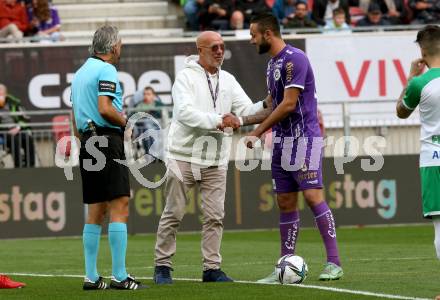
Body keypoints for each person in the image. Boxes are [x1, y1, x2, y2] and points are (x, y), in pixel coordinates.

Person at [153, 31, 266, 284]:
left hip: (216, 158)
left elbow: (246, 110)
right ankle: (162, 266)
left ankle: (211, 268)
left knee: (215, 216)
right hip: (183, 155)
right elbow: (184, 114)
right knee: (174, 213)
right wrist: (219, 120)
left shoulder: (228, 79)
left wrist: (266, 103)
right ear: (200, 50)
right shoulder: (184, 77)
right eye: (214, 47)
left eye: (222, 46)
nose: (219, 51)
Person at [245, 13, 343, 282]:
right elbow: (270, 105)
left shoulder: (294, 58)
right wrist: (240, 120)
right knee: (285, 201)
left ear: (268, 34)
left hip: (304, 140)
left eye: (253, 34)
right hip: (281, 143)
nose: (251, 40)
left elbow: (288, 104)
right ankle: (282, 268)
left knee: (312, 197)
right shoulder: (271, 65)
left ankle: (334, 262)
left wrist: (257, 131)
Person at [70, 25, 146, 290]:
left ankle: (91, 277)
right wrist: (126, 122)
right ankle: (120, 276)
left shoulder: (79, 74)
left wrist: (85, 140)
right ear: (113, 47)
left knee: (95, 209)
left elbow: (74, 117)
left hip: (88, 141)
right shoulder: (107, 70)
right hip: (106, 139)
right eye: (120, 45)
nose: (120, 49)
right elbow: (105, 109)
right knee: (120, 203)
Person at [396, 25, 440, 266]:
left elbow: (401, 112)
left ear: (422, 52)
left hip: (434, 160)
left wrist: (410, 77)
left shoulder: (419, 84)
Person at [0, 84, 36, 168]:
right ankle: (18, 166)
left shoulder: (14, 102)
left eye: (1, 91)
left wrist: (17, 127)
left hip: (16, 129)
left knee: (27, 138)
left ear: (5, 93)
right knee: (14, 140)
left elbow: (25, 118)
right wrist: (7, 129)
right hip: (3, 132)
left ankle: (30, 165)